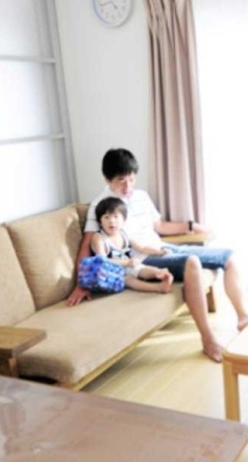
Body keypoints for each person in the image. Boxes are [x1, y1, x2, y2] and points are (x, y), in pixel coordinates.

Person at [66, 148, 248, 363]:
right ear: (107, 179)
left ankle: (243, 319)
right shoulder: (102, 206)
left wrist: (191, 226)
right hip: (142, 259)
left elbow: (159, 226)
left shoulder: (141, 196)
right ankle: (209, 341)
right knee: (192, 262)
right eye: (121, 181)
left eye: (131, 179)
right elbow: (86, 244)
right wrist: (82, 283)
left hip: (162, 248)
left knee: (229, 257)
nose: (128, 186)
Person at [92, 196, 174, 294]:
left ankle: (161, 274)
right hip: (109, 272)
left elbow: (142, 248)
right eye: (106, 217)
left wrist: (159, 252)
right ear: (99, 222)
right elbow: (102, 261)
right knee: (129, 279)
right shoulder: (99, 238)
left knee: (142, 268)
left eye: (116, 217)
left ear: (124, 221)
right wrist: (127, 262)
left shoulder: (124, 234)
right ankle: (158, 287)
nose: (112, 221)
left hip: (127, 266)